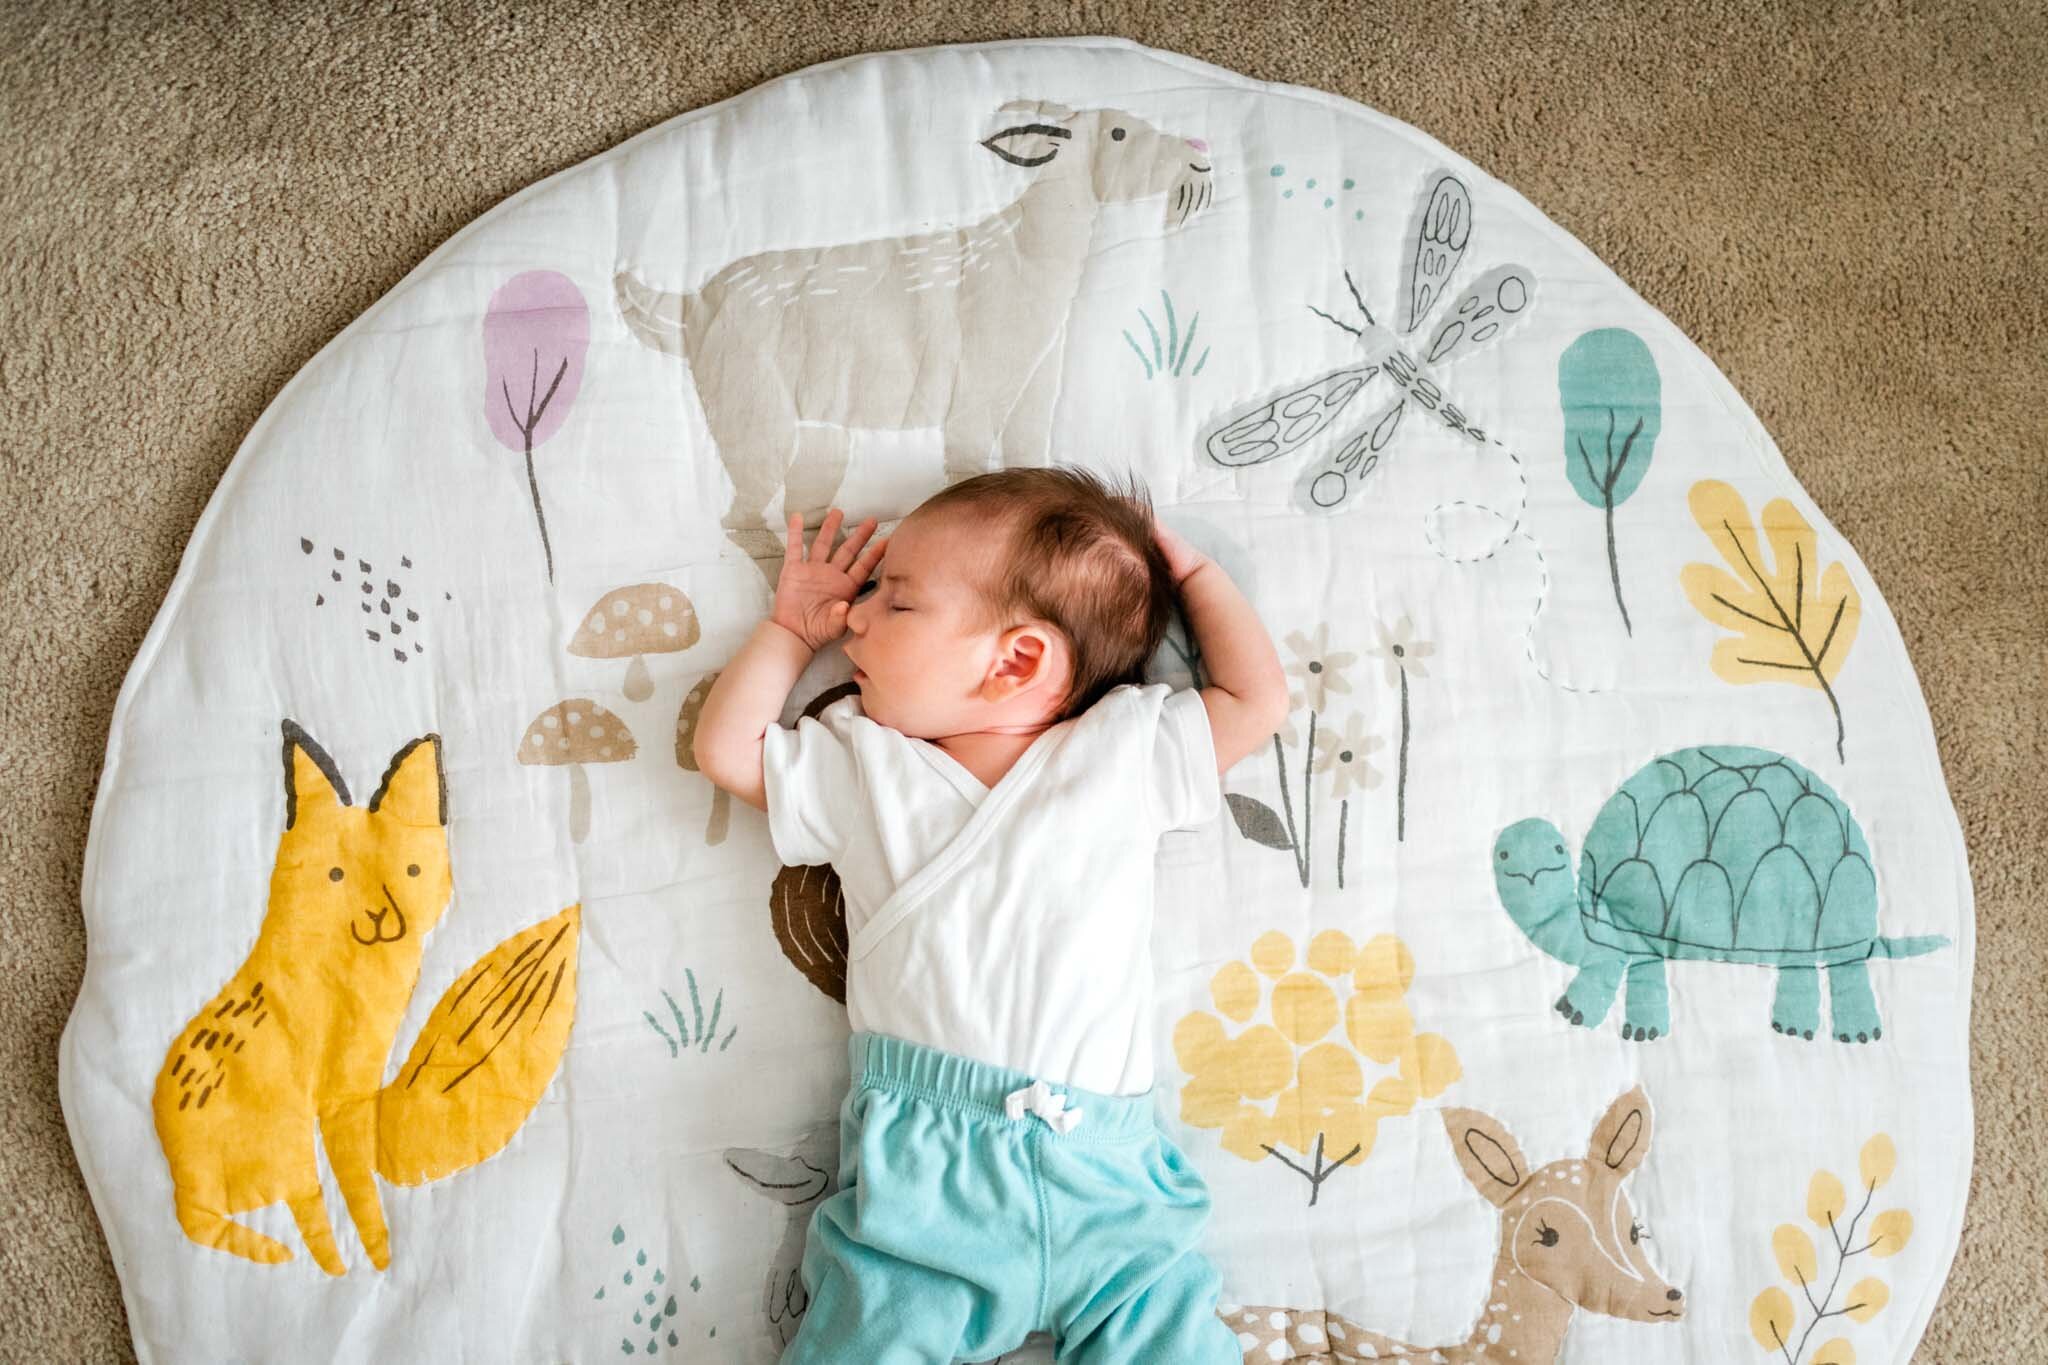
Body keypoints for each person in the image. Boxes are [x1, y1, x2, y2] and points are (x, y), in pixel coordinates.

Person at [694, 466, 1287, 1363]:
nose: (853, 616)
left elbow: (1254, 701)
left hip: (1109, 1181)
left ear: (1016, 660)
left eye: (895, 604)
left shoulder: (1123, 750)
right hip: (925, 1194)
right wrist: (784, 631)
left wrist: (1196, 576)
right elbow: (728, 749)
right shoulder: (866, 763)